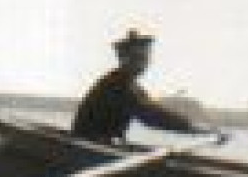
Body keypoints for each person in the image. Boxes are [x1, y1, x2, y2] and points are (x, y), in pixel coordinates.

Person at [71, 29, 225, 144]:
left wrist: (197, 129)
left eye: (145, 58)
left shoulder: (131, 85)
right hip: (89, 145)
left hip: (104, 144)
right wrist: (198, 131)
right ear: (123, 59)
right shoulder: (117, 85)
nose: (143, 63)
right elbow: (151, 116)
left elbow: (152, 109)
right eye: (137, 58)